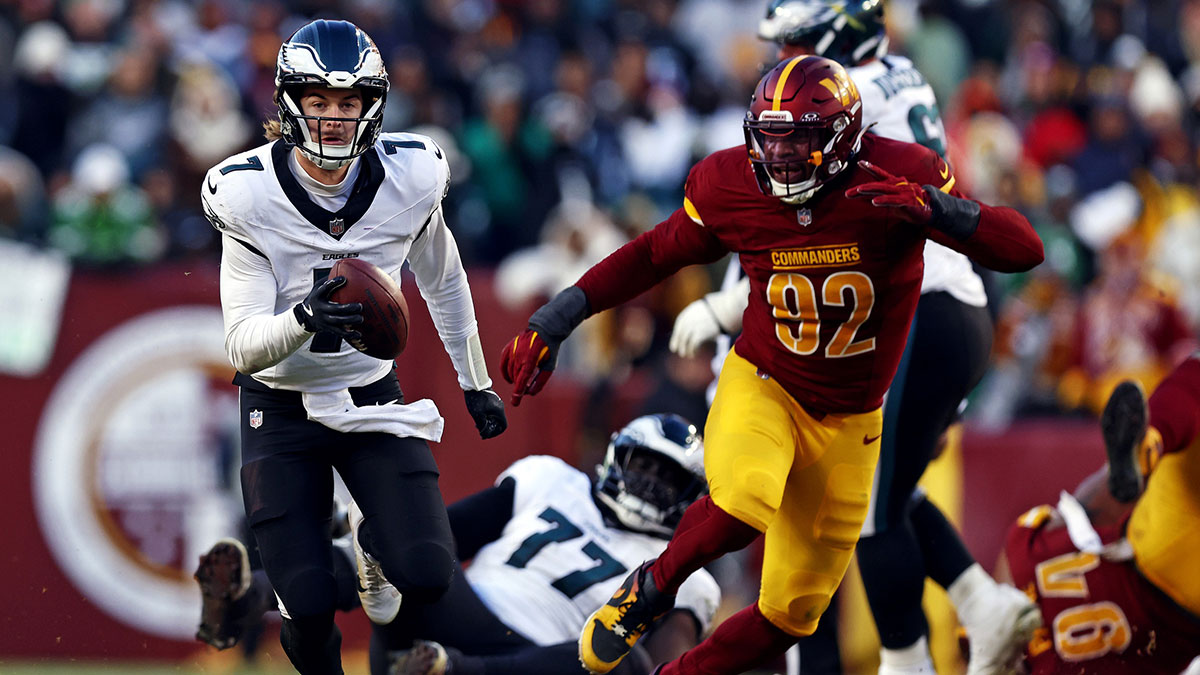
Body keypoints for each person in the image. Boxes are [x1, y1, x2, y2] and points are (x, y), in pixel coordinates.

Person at [499, 54, 1044, 675]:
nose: (781, 156)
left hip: (851, 422)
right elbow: (654, 254)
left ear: (843, 135)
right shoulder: (730, 182)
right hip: (767, 384)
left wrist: (937, 210)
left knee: (792, 615)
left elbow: (1026, 248)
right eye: (770, 137)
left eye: (801, 139)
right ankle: (647, 590)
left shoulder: (898, 173)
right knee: (745, 501)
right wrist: (558, 316)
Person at [669, 2, 1040, 673]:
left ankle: (907, 663)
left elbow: (776, 233)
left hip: (905, 308)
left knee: (867, 509)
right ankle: (981, 601)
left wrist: (729, 318)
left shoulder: (842, 102)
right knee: (877, 486)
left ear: (833, 35)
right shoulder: (900, 74)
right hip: (955, 307)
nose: (786, 65)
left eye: (797, 43)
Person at [201, 19, 507, 674]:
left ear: (372, 107)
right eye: (319, 101)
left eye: (348, 102)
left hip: (369, 395)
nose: (334, 117)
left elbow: (444, 279)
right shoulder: (248, 191)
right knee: (308, 606)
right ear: (290, 102)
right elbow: (242, 344)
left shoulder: (411, 176)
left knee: (427, 571)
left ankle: (368, 544)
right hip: (280, 406)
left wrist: (475, 380)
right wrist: (307, 317)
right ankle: (324, 567)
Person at [194, 414, 720, 675]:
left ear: (690, 497)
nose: (650, 485)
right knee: (400, 552)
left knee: (623, 664)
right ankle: (248, 596)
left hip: (533, 664)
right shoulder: (550, 479)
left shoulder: (687, 575)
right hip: (452, 620)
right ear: (616, 458)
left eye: (667, 478)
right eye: (644, 467)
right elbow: (445, 533)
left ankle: (452, 669)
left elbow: (662, 669)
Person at [999, 355, 1200, 674]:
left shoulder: (1024, 555)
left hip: (1160, 573)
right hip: (1155, 565)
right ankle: (1148, 445)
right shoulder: (1025, 553)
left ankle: (1148, 445)